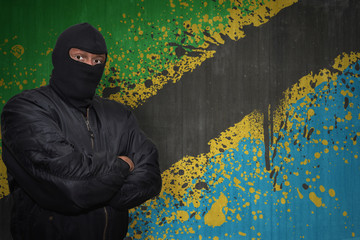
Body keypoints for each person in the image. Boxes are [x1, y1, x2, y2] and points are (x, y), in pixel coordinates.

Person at [1, 23, 162, 240]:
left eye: (97, 61)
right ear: (59, 57)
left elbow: (149, 176)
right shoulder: (25, 108)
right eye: (79, 58)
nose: (89, 65)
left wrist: (96, 190)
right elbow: (71, 188)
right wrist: (123, 165)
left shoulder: (119, 114)